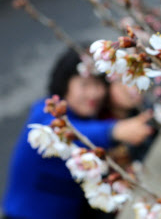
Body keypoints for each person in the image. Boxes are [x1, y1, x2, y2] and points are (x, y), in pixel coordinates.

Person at [3, 47, 153, 219]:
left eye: (99, 85)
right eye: (84, 84)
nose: (94, 93)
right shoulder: (44, 112)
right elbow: (71, 131)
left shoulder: (91, 118)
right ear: (64, 83)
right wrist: (115, 131)